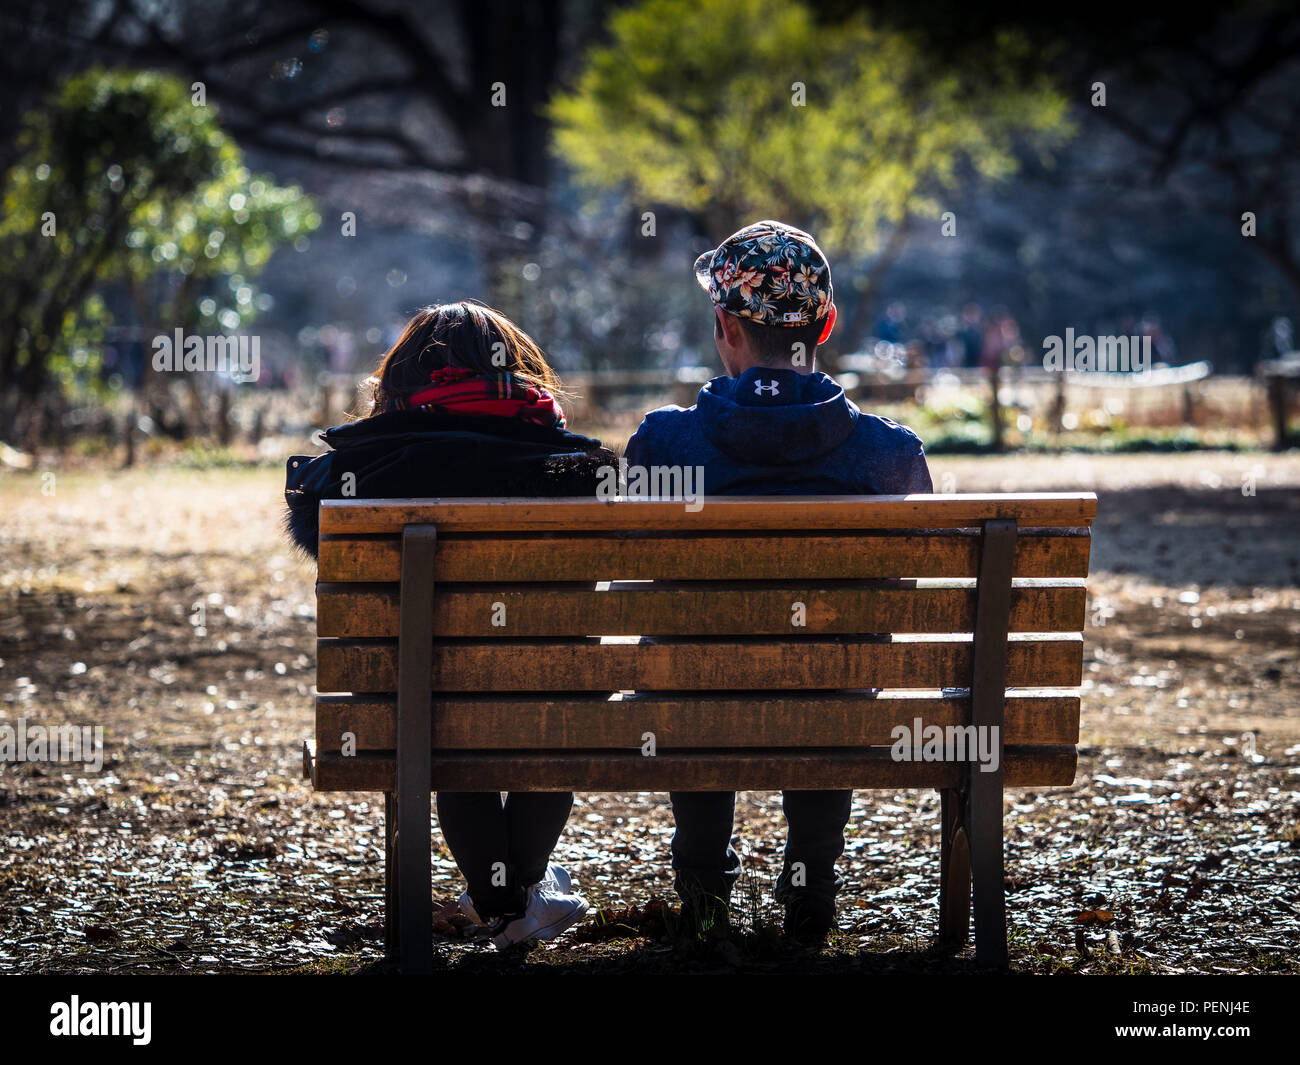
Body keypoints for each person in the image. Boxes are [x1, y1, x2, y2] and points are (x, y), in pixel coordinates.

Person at [625, 220, 933, 943]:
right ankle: (811, 890)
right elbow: (919, 573)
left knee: (689, 669)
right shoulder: (890, 453)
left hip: (691, 701)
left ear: (725, 327)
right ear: (824, 324)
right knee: (835, 672)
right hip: (837, 704)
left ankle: (702, 894)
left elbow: (625, 559)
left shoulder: (664, 443)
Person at [285, 300, 613, 949]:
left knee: (449, 723)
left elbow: (307, 508)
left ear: (401, 382)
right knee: (551, 706)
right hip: (550, 698)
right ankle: (522, 894)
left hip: (419, 709)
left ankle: (502, 898)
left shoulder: (364, 467)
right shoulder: (581, 470)